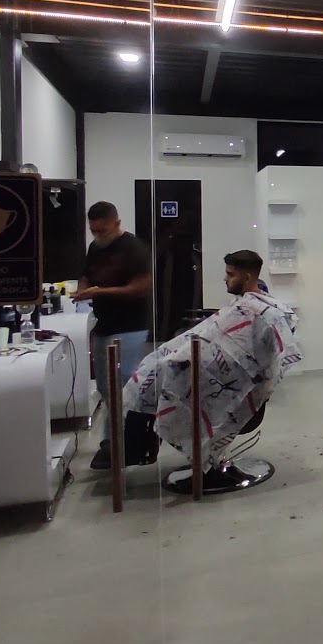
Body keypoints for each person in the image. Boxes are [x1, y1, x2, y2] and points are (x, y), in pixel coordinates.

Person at [127, 249, 303, 495]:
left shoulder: (263, 312)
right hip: (212, 373)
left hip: (230, 385)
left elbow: (253, 358)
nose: (225, 279)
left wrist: (180, 361)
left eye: (230, 275)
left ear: (247, 277)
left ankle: (146, 447)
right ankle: (139, 446)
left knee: (162, 381)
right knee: (154, 373)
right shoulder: (245, 305)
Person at [74, 201, 153, 471]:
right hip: (104, 325)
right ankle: (115, 439)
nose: (98, 236)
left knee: (122, 384)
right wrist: (83, 289)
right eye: (94, 231)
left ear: (117, 223)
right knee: (105, 387)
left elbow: (141, 288)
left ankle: (121, 442)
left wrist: (100, 292)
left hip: (130, 326)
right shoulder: (95, 248)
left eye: (103, 230)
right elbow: (86, 275)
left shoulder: (134, 249)